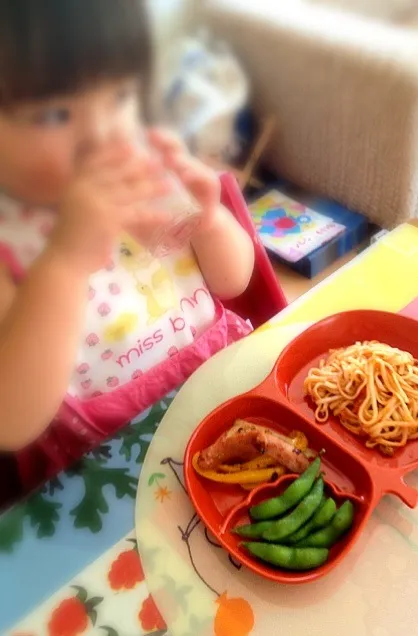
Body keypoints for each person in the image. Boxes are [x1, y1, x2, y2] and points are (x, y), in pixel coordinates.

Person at [0, 0, 254, 497]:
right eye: (54, 113)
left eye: (118, 96)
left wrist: (209, 222)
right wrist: (66, 262)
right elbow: (12, 420)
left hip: (228, 400)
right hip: (109, 469)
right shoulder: (13, 243)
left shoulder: (146, 178)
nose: (104, 135)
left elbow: (233, 281)